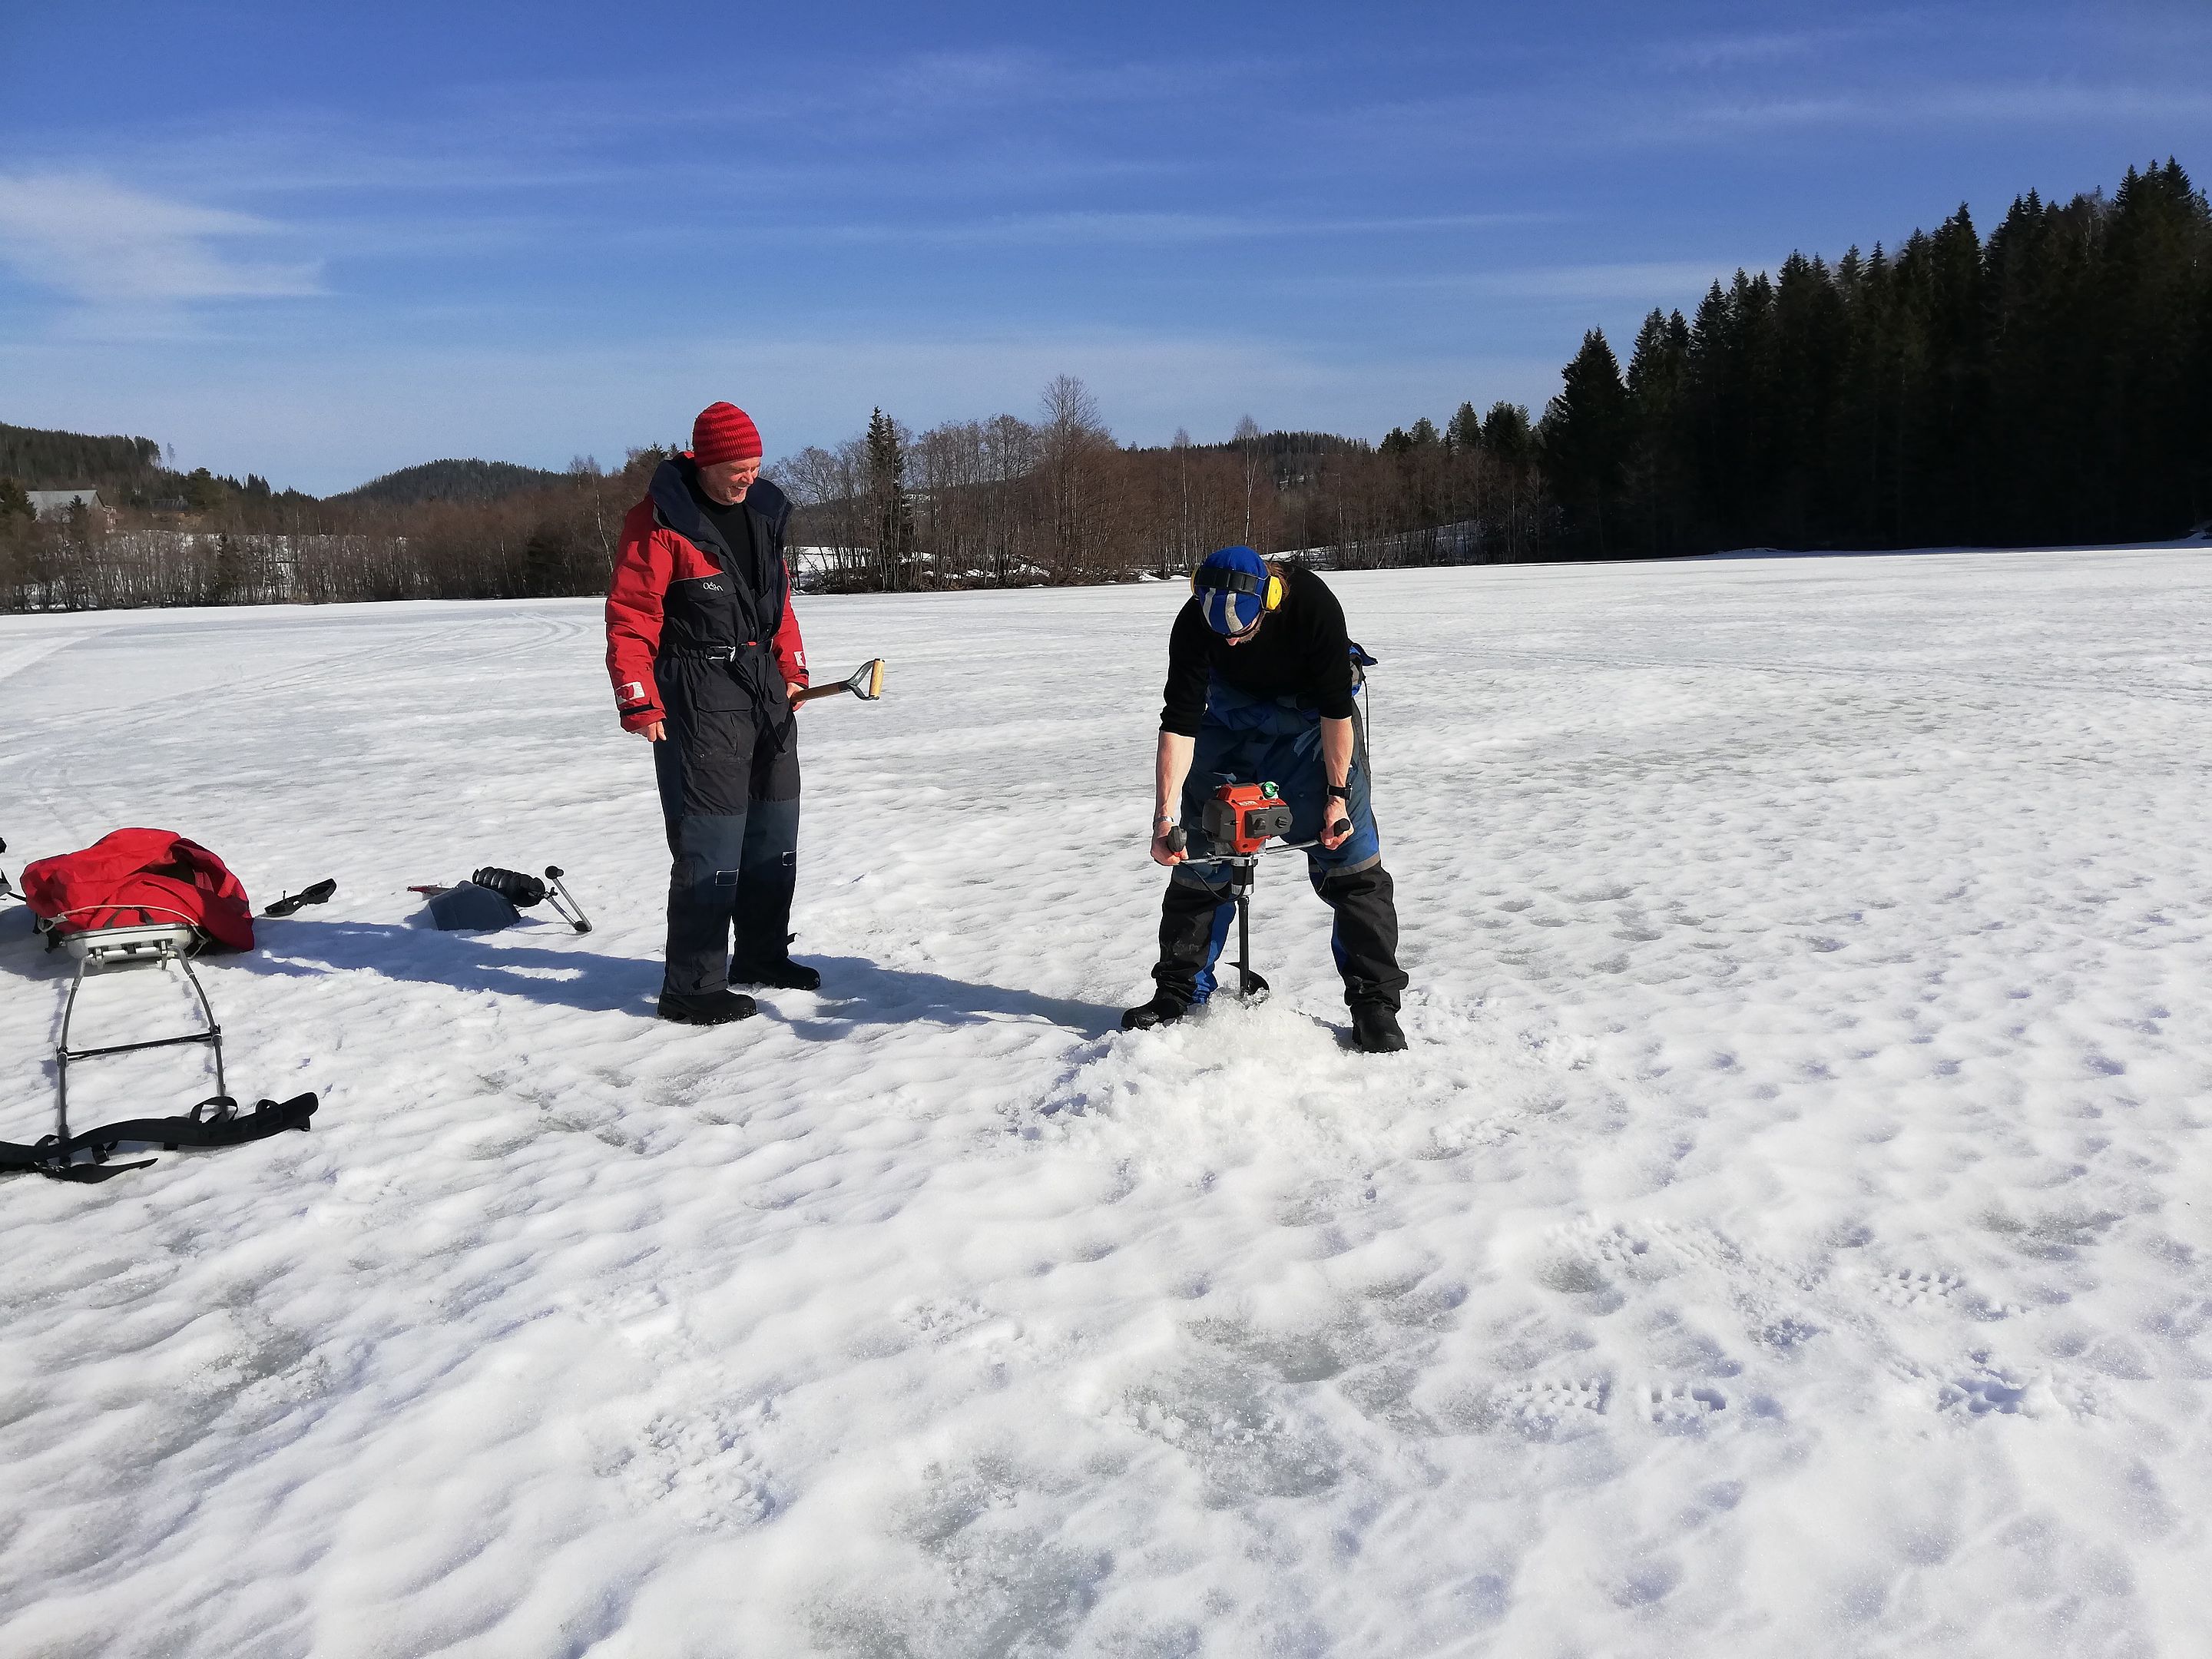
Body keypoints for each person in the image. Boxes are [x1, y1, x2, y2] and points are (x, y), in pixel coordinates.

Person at [1124, 545, 1409, 1052]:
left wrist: (1337, 797)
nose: (1231, 641)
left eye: (1242, 629)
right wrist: (1163, 817)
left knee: (1351, 860)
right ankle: (1179, 992)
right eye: (1221, 632)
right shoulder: (1192, 624)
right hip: (1226, 724)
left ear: (1270, 600)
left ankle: (1374, 1005)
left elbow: (1336, 712)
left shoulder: (1313, 607)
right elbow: (1180, 723)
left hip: (1311, 728)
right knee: (1200, 854)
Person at [605, 402, 819, 1025]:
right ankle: (692, 986)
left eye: (755, 466)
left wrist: (793, 670)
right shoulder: (660, 521)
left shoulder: (763, 514)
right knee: (712, 842)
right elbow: (631, 616)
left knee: (774, 833)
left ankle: (762, 955)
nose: (748, 478)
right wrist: (637, 696)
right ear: (704, 461)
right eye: (736, 469)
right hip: (699, 693)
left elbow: (778, 606)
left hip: (764, 691)